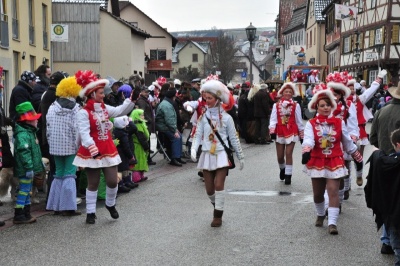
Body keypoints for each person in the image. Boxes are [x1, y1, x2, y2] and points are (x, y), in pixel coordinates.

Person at [72, 70, 135, 224]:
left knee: (113, 181)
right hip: (92, 149)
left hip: (107, 148)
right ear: (92, 94)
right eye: (100, 93)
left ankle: (110, 204)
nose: (103, 95)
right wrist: (92, 148)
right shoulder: (83, 113)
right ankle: (91, 212)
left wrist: (131, 99)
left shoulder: (104, 108)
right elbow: (84, 133)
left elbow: (120, 110)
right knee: (93, 183)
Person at [302, 88, 362, 235]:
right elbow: (308, 138)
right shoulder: (311, 123)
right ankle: (321, 214)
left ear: (332, 107)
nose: (325, 108)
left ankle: (332, 223)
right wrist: (307, 150)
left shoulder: (339, 122)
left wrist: (357, 156)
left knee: (333, 191)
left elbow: (347, 142)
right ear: (316, 107)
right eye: (322, 105)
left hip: (335, 160)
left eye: (328, 105)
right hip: (317, 160)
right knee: (318, 194)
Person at [190, 78, 244, 227]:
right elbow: (197, 135)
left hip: (221, 154)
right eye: (205, 98)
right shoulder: (203, 117)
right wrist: (194, 149)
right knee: (209, 190)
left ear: (218, 99)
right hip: (207, 154)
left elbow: (234, 138)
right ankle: (216, 204)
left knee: (219, 184)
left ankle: (217, 215)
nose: (206, 101)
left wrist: (241, 157)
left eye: (210, 98)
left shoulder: (227, 118)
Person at [370, 81, 400, 255]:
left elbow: (372, 138)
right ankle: (391, 242)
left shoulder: (382, 111)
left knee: (387, 199)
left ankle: (386, 241)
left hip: (383, 161)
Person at [46, 76, 82, 216]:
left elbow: (48, 128)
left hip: (55, 146)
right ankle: (68, 207)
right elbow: (76, 130)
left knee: (58, 175)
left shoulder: (52, 107)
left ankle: (56, 205)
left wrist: (50, 143)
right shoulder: (75, 109)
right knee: (69, 175)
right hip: (70, 146)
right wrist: (79, 147)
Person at [365, 128, 400, 264]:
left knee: (397, 244)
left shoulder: (383, 161)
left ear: (396, 144)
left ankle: (387, 244)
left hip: (393, 212)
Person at [347, 69, 387, 186]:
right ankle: (346, 183)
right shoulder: (341, 102)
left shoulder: (360, 99)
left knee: (358, 155)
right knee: (345, 158)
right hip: (346, 131)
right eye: (349, 88)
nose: (351, 90)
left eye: (353, 88)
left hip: (359, 129)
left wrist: (379, 78)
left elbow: (370, 91)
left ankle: (359, 174)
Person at [13, 102, 44, 224]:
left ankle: (26, 212)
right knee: (24, 190)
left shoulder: (30, 133)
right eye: (34, 119)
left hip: (28, 169)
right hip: (25, 169)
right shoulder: (23, 135)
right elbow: (24, 153)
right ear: (27, 121)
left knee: (27, 190)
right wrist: (29, 167)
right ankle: (19, 213)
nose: (36, 121)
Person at [269, 82, 304, 185]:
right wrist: (272, 130)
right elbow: (273, 119)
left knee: (288, 153)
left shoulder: (296, 105)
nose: (288, 93)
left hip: (292, 130)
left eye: (290, 92)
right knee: (280, 156)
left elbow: (299, 121)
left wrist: (302, 135)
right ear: (282, 93)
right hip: (280, 130)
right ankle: (282, 168)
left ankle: (288, 175)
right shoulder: (276, 105)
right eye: (286, 91)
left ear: (292, 93)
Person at [155, 89, 185, 166]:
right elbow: (169, 120)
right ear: (173, 97)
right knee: (177, 138)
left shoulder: (166, 103)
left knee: (179, 136)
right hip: (164, 127)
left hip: (165, 126)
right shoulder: (167, 106)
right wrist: (174, 130)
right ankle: (174, 158)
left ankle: (178, 157)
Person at [113, 116, 138, 192]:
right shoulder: (123, 134)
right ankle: (121, 184)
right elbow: (126, 146)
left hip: (120, 153)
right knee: (122, 169)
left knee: (124, 168)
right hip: (122, 154)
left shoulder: (116, 132)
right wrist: (131, 156)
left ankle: (127, 181)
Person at [135, 86, 156, 165]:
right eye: (146, 92)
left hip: (147, 124)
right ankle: (147, 159)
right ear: (142, 92)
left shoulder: (145, 100)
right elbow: (141, 112)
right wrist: (149, 120)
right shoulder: (141, 101)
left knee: (148, 141)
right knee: (146, 141)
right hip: (145, 124)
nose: (147, 94)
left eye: (148, 92)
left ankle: (148, 158)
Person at [129, 109, 150, 183]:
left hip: (139, 145)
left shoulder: (139, 123)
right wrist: (146, 146)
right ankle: (136, 177)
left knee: (142, 160)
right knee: (138, 161)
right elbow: (141, 137)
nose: (143, 116)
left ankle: (141, 175)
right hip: (138, 145)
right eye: (142, 115)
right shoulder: (138, 125)